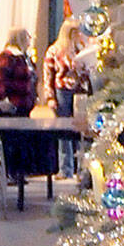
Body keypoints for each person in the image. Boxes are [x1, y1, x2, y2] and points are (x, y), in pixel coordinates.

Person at [42, 16, 91, 175]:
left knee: (81, 129)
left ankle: (82, 169)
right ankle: (65, 168)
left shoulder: (81, 48)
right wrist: (50, 97)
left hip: (80, 92)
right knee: (64, 130)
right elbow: (48, 75)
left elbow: (89, 70)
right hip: (62, 91)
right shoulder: (54, 51)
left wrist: (82, 68)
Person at [0, 28, 37, 116]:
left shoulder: (25, 57)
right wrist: (5, 102)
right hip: (11, 107)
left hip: (23, 106)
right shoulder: (7, 57)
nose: (30, 39)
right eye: (27, 36)